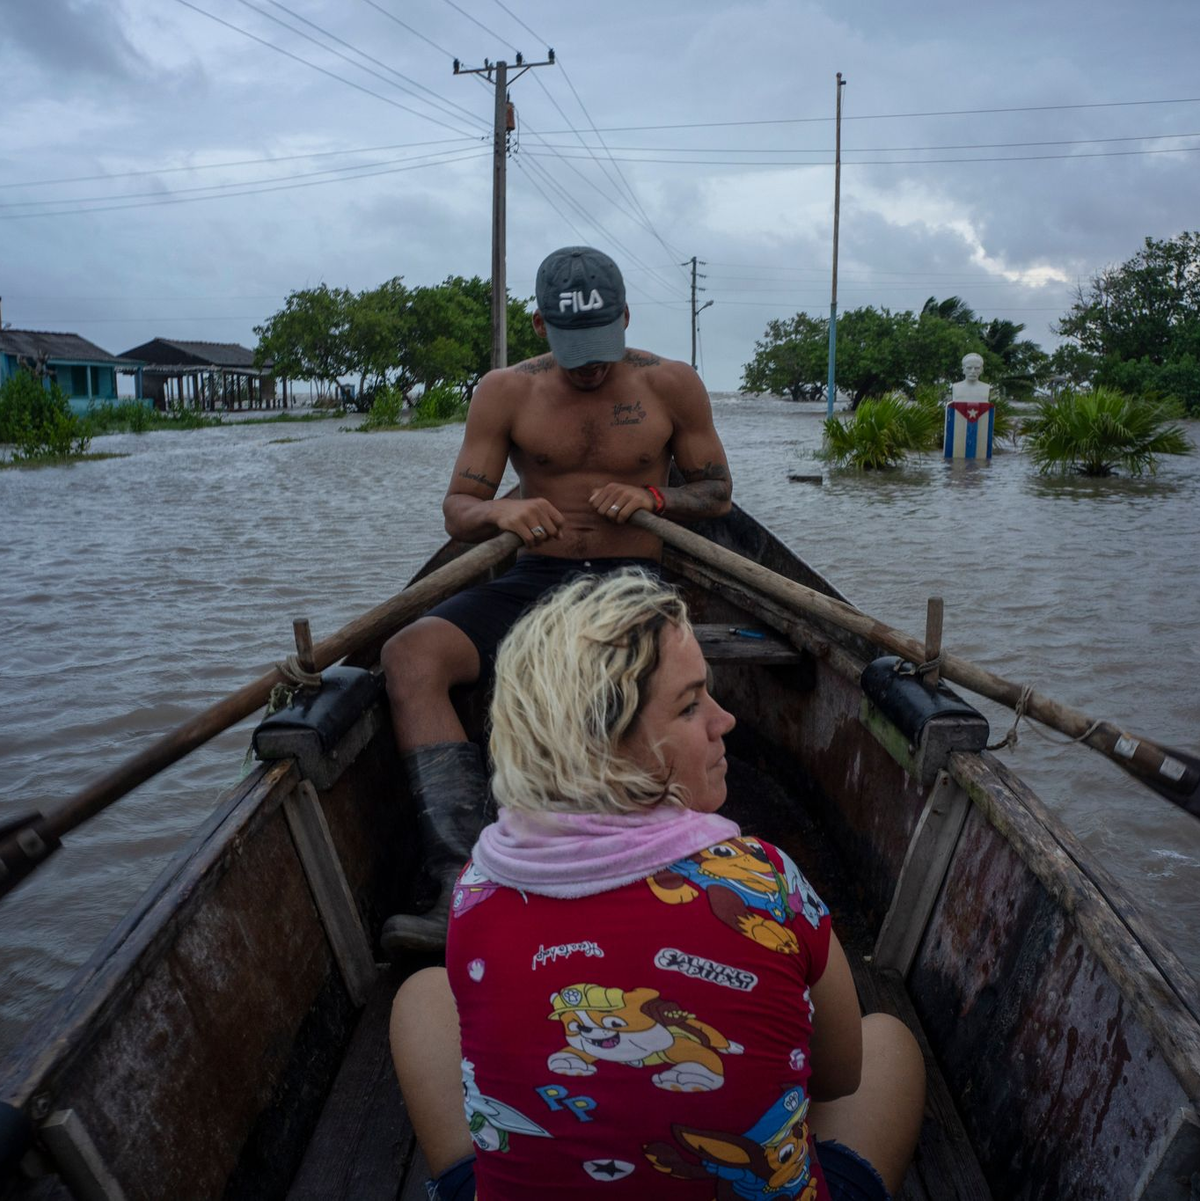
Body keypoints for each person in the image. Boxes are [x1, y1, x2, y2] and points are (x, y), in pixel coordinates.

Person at [390, 571, 926, 1200]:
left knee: (422, 997)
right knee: (888, 1043)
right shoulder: (765, 880)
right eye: (691, 705)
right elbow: (837, 1077)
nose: (725, 719)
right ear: (607, 742)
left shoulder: (478, 887)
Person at [380, 246, 732, 951]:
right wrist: (501, 512)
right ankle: (461, 878)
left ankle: (674, 866)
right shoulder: (505, 392)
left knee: (636, 684)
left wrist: (655, 497)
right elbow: (457, 510)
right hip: (536, 580)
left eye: (601, 346)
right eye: (573, 350)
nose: (589, 368)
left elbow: (718, 493)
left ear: (625, 318)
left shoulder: (671, 384)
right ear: (541, 326)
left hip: (632, 584)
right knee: (410, 655)